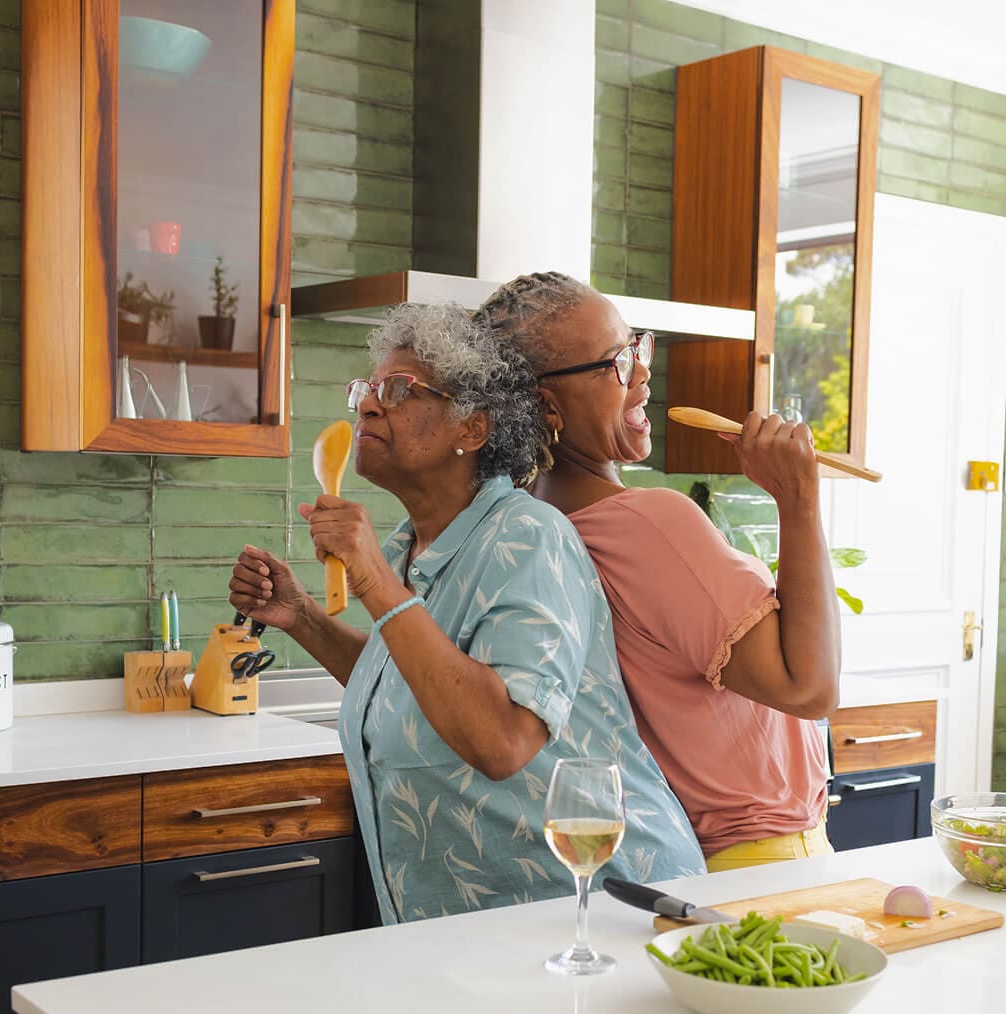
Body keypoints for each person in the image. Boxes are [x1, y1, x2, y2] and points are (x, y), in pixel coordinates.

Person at [227, 302, 705, 922]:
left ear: (472, 430)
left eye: (399, 391)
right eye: (367, 390)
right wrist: (304, 618)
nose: (369, 406)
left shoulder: (528, 537)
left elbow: (502, 740)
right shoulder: (409, 548)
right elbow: (415, 683)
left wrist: (370, 580)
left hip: (604, 912)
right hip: (487, 930)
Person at [478, 273, 842, 872]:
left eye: (638, 346)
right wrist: (798, 499)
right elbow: (810, 688)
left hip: (682, 858)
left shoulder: (526, 528)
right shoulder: (648, 524)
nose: (643, 372)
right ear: (546, 405)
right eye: (617, 361)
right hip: (762, 861)